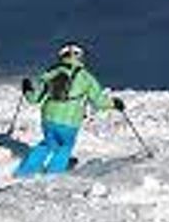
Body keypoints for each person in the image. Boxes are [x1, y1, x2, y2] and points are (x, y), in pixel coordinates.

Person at [13, 42, 124, 177]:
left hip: (48, 118)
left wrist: (27, 89)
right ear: (80, 57)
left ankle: (25, 171)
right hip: (69, 122)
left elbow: (34, 99)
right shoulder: (86, 77)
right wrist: (114, 104)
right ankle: (53, 174)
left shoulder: (51, 73)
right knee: (65, 146)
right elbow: (99, 102)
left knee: (48, 144)